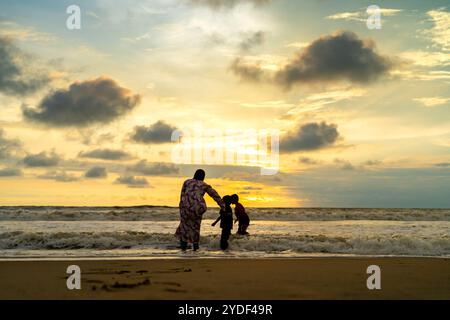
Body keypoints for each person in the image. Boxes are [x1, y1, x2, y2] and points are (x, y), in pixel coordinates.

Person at [175, 169, 224, 251]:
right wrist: (223, 206)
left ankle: (183, 248)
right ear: (203, 177)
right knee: (196, 228)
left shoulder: (187, 182)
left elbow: (182, 195)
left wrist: (181, 207)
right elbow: (214, 195)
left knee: (184, 227)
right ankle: (195, 248)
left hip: (185, 207)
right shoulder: (204, 185)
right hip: (198, 208)